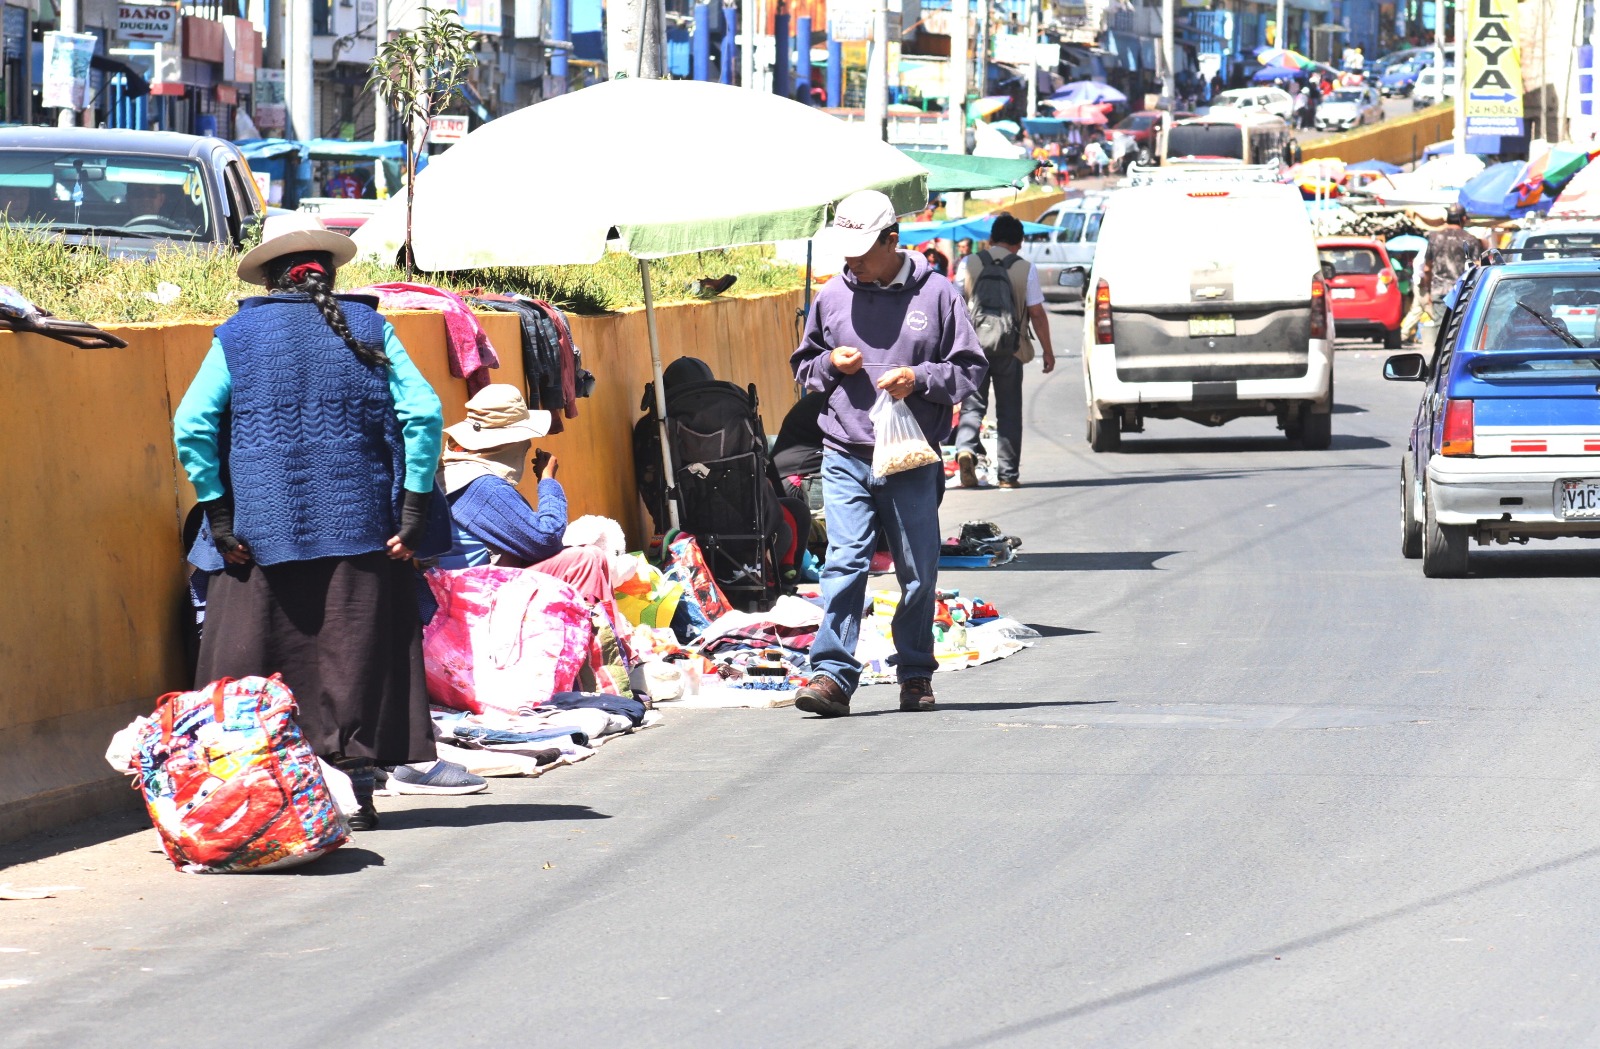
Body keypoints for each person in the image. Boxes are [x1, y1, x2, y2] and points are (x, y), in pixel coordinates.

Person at [173, 213, 445, 830]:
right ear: (330, 271)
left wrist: (220, 516)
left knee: (259, 659)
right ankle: (359, 790)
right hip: (364, 530)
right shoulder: (372, 327)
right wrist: (412, 509)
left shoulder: (236, 336)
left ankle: (261, 801)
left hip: (257, 538)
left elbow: (193, 425)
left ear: (271, 278)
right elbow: (423, 413)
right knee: (354, 659)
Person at [789, 189, 987, 718]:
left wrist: (919, 379)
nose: (850, 260)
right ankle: (831, 674)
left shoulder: (939, 295)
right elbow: (804, 369)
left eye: (861, 249)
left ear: (892, 241)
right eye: (845, 249)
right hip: (844, 452)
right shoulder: (831, 297)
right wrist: (831, 362)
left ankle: (916, 673)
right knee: (844, 561)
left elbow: (970, 369)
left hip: (912, 459)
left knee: (917, 570)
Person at [434, 383, 624, 630]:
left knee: (586, 556)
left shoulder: (454, 472)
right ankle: (601, 656)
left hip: (462, 587)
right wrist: (548, 481)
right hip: (479, 594)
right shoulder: (480, 485)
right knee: (585, 560)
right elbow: (544, 540)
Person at [953, 212, 1056, 489]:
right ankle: (1008, 476)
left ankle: (965, 449)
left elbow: (954, 306)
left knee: (972, 406)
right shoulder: (1025, 269)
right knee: (1009, 411)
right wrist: (1048, 351)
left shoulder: (968, 263)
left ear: (990, 239)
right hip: (1010, 349)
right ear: (1019, 242)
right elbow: (1036, 313)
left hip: (974, 349)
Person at [1422, 206, 1485, 323]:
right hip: (1461, 292)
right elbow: (1478, 267)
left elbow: (1427, 268)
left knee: (1441, 330)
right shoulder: (1470, 239)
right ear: (1464, 218)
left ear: (1447, 218)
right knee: (1458, 329)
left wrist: (1428, 291)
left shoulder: (1434, 238)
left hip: (1439, 290)